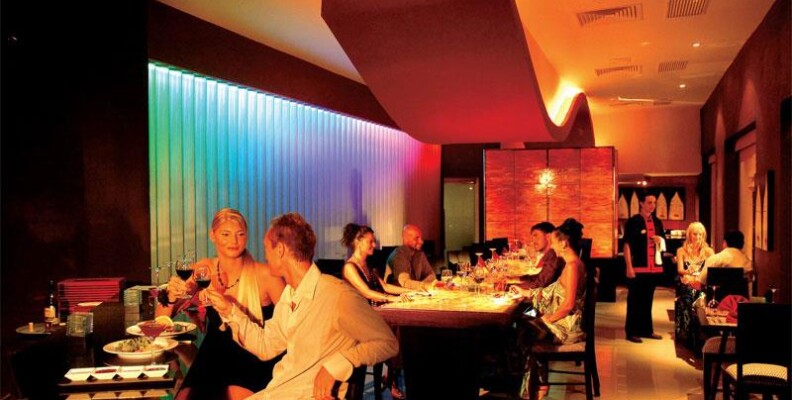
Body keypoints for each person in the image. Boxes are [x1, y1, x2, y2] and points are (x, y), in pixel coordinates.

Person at [206, 212, 398, 400]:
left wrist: (338, 364)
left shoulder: (337, 295)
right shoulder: (290, 294)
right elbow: (266, 346)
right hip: (278, 392)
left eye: (266, 248)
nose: (264, 255)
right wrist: (228, 310)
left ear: (280, 250)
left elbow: (387, 343)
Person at [156, 208, 286, 400]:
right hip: (213, 353)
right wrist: (172, 295)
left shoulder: (267, 275)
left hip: (253, 355)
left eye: (240, 234)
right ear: (212, 235)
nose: (234, 241)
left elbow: (293, 326)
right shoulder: (204, 269)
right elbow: (160, 321)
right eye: (226, 234)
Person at [509, 218, 587, 399]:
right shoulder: (572, 264)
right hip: (562, 320)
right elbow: (550, 292)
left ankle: (529, 384)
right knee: (523, 316)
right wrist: (526, 293)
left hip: (567, 326)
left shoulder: (573, 266)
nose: (552, 246)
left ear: (564, 243)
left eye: (554, 242)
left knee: (520, 328)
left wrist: (547, 319)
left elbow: (568, 305)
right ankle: (532, 381)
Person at [340, 223, 411, 399]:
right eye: (370, 241)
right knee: (396, 330)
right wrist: (393, 299)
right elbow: (367, 292)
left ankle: (391, 374)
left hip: (373, 315)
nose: (374, 244)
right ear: (358, 242)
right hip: (360, 321)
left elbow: (385, 287)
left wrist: (410, 292)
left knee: (401, 327)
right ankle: (392, 376)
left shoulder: (368, 265)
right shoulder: (350, 267)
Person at [623, 190, 665, 343]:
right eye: (649, 202)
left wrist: (659, 240)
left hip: (653, 268)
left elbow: (663, 242)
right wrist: (629, 266)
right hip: (637, 267)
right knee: (634, 301)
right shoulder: (633, 222)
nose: (652, 205)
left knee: (647, 301)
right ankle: (631, 332)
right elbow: (627, 245)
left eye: (654, 203)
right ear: (641, 203)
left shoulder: (658, 222)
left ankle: (647, 330)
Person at [673, 222, 714, 352]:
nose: (698, 237)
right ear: (689, 235)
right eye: (695, 234)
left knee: (701, 296)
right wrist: (689, 272)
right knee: (689, 295)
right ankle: (690, 334)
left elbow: (711, 270)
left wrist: (699, 277)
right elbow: (680, 270)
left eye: (700, 234)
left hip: (702, 283)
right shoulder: (681, 250)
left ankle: (701, 333)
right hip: (687, 281)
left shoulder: (709, 251)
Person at [700, 230, 753, 295]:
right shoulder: (748, 263)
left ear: (725, 243)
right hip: (740, 300)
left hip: (716, 299)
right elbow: (749, 285)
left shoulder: (714, 259)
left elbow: (702, 281)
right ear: (742, 244)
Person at [514, 222, 564, 290]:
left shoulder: (554, 255)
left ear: (548, 236)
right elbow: (539, 277)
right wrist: (517, 278)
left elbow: (540, 284)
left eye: (536, 236)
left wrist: (508, 286)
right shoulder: (550, 254)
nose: (533, 241)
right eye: (532, 237)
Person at [385, 224, 436, 291]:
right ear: (405, 238)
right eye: (416, 238)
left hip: (413, 293)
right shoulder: (398, 255)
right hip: (397, 295)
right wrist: (425, 286)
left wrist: (423, 286)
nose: (421, 242)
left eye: (421, 238)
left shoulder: (419, 254)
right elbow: (405, 282)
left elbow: (431, 276)